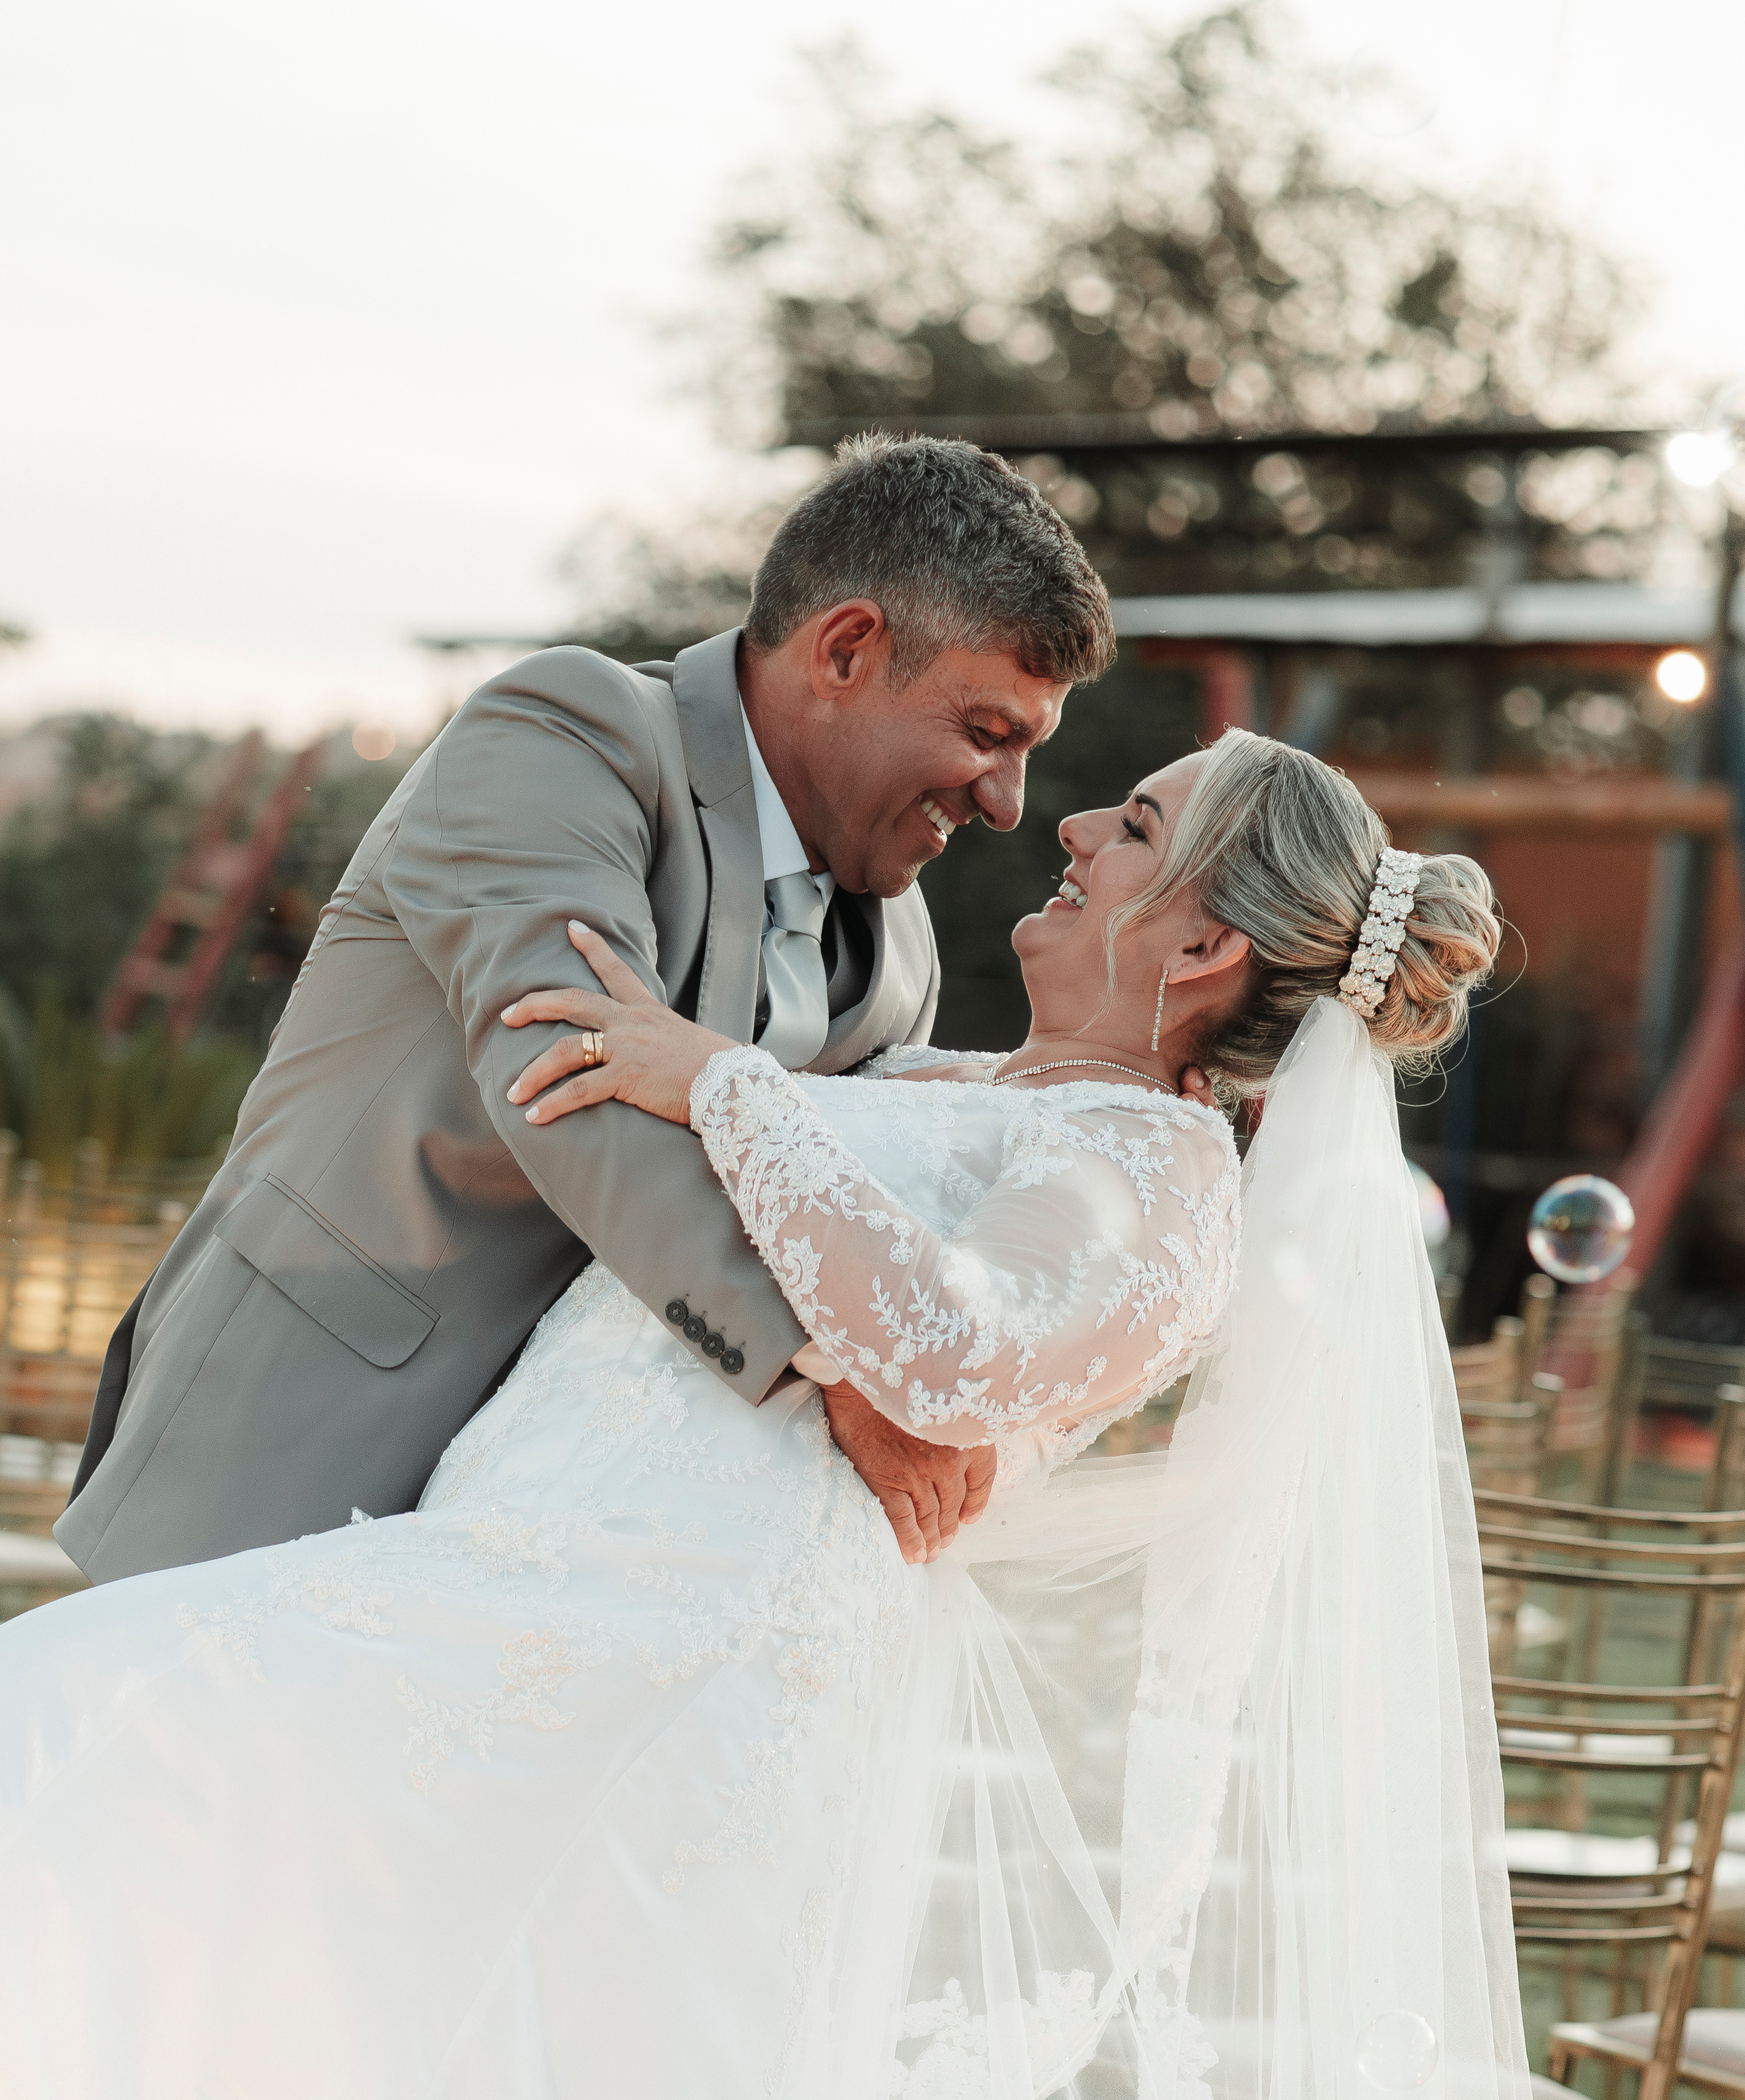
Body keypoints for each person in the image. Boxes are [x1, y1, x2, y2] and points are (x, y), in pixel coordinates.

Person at [0, 731, 1616, 2100]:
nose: (1069, 827)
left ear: (1199, 946)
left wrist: (720, 1084)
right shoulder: (934, 1077)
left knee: (103, 1780)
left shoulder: (1158, 1166)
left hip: (677, 1681)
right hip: (520, 1592)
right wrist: (754, 1102)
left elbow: (961, 1346)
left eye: (1131, 826)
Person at [53, 431, 1114, 1584]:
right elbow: (571, 1082)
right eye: (986, 732)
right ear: (847, 649)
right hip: (306, 1435)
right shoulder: (569, 736)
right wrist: (841, 1366)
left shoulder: (897, 944)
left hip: (580, 1533)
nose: (1008, 803)